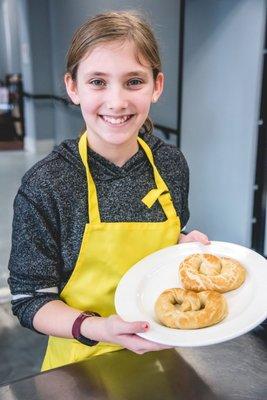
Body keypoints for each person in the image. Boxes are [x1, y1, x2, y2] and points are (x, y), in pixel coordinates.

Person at [8, 10, 210, 371]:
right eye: (98, 82)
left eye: (134, 81)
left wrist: (182, 245)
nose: (116, 102)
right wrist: (101, 328)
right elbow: (28, 299)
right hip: (81, 365)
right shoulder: (47, 185)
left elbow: (159, 247)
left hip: (165, 350)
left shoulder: (171, 165)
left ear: (156, 86)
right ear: (72, 87)